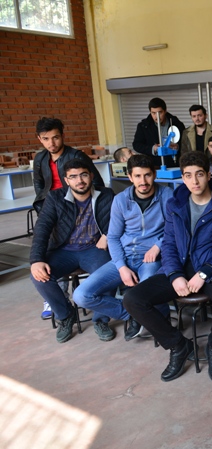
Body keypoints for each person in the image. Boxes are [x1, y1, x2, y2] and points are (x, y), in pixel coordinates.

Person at [123, 151, 212, 383]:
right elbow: (169, 243)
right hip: (182, 266)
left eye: (199, 174)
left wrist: (204, 273)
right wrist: (175, 274)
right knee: (133, 299)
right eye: (188, 175)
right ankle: (178, 346)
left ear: (209, 175)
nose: (194, 181)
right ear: (183, 178)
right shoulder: (174, 204)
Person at [72, 154, 173, 342]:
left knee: (146, 292)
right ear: (130, 177)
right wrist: (121, 266)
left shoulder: (167, 196)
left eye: (147, 175)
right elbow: (113, 237)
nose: (143, 181)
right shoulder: (120, 200)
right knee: (81, 295)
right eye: (138, 176)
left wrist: (157, 246)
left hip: (151, 259)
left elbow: (175, 229)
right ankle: (135, 315)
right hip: (125, 257)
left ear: (154, 174)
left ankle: (147, 315)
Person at [29, 158, 114, 343]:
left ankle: (101, 319)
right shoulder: (55, 197)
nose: (79, 180)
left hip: (93, 249)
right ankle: (66, 315)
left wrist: (108, 234)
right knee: (39, 276)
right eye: (73, 177)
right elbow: (42, 228)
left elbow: (119, 219)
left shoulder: (106, 194)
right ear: (66, 180)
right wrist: (36, 260)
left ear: (91, 175)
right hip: (63, 250)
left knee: (109, 272)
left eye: (83, 175)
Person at [32, 117, 105, 320]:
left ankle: (88, 301)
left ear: (62, 136)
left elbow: (97, 184)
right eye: (46, 139)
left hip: (76, 207)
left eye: (55, 137)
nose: (52, 143)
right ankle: (57, 297)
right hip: (52, 208)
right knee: (50, 249)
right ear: (39, 139)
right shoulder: (40, 158)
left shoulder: (76, 156)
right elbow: (39, 184)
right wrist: (45, 208)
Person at [132, 97, 186, 168]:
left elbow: (186, 143)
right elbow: (136, 145)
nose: (157, 116)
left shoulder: (177, 124)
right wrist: (153, 148)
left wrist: (177, 147)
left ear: (165, 111)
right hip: (153, 166)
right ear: (150, 112)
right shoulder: (144, 126)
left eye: (160, 112)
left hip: (175, 164)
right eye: (153, 113)